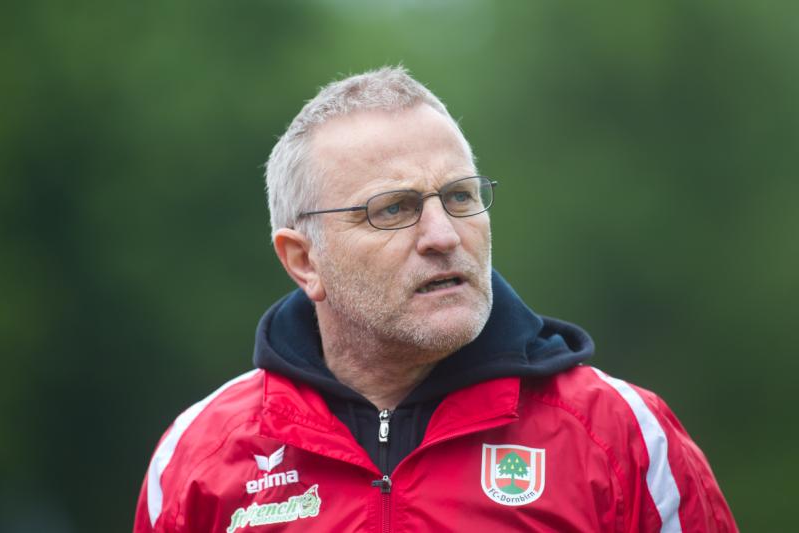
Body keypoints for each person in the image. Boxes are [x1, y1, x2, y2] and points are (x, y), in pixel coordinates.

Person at [134, 66, 738, 532]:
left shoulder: (620, 434)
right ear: (303, 260)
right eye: (394, 209)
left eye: (460, 197)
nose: (443, 236)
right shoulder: (200, 456)